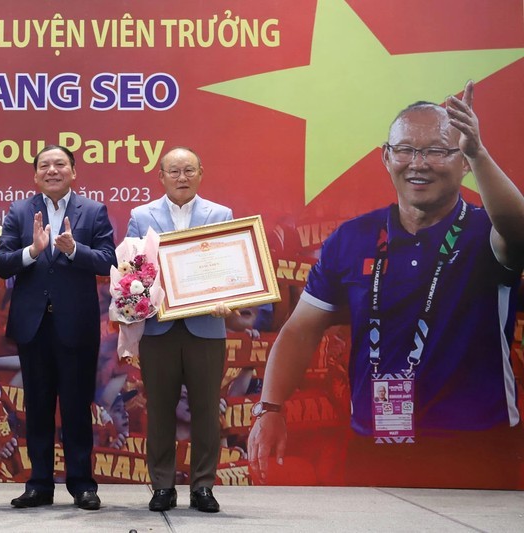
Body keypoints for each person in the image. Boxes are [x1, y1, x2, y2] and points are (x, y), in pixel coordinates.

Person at [249, 81, 524, 488]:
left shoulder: (488, 230)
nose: (420, 162)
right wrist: (269, 407)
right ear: (386, 156)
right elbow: (301, 329)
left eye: (438, 150)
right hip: (373, 445)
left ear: (463, 162)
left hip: (475, 446)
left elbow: (518, 234)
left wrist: (478, 151)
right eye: (406, 150)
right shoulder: (352, 237)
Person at [0, 144, 116, 510]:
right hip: (34, 326)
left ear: (73, 171)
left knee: (78, 407)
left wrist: (74, 250)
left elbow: (109, 261)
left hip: (76, 325)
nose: (52, 170)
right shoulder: (19, 210)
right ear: (35, 175)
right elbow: (2, 263)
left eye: (59, 164)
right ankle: (39, 484)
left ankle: (82, 484)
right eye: (44, 165)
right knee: (38, 406)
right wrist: (32, 251)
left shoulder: (93, 211)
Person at [126, 146, 233, 513]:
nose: (182, 177)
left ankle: (203, 486)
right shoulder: (141, 216)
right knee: (159, 409)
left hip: (207, 325)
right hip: (158, 329)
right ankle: (162, 486)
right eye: (174, 171)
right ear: (161, 176)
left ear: (201, 173)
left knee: (205, 409)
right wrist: (139, 293)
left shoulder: (221, 214)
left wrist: (227, 294)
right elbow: (130, 269)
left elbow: (227, 265)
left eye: (189, 170)